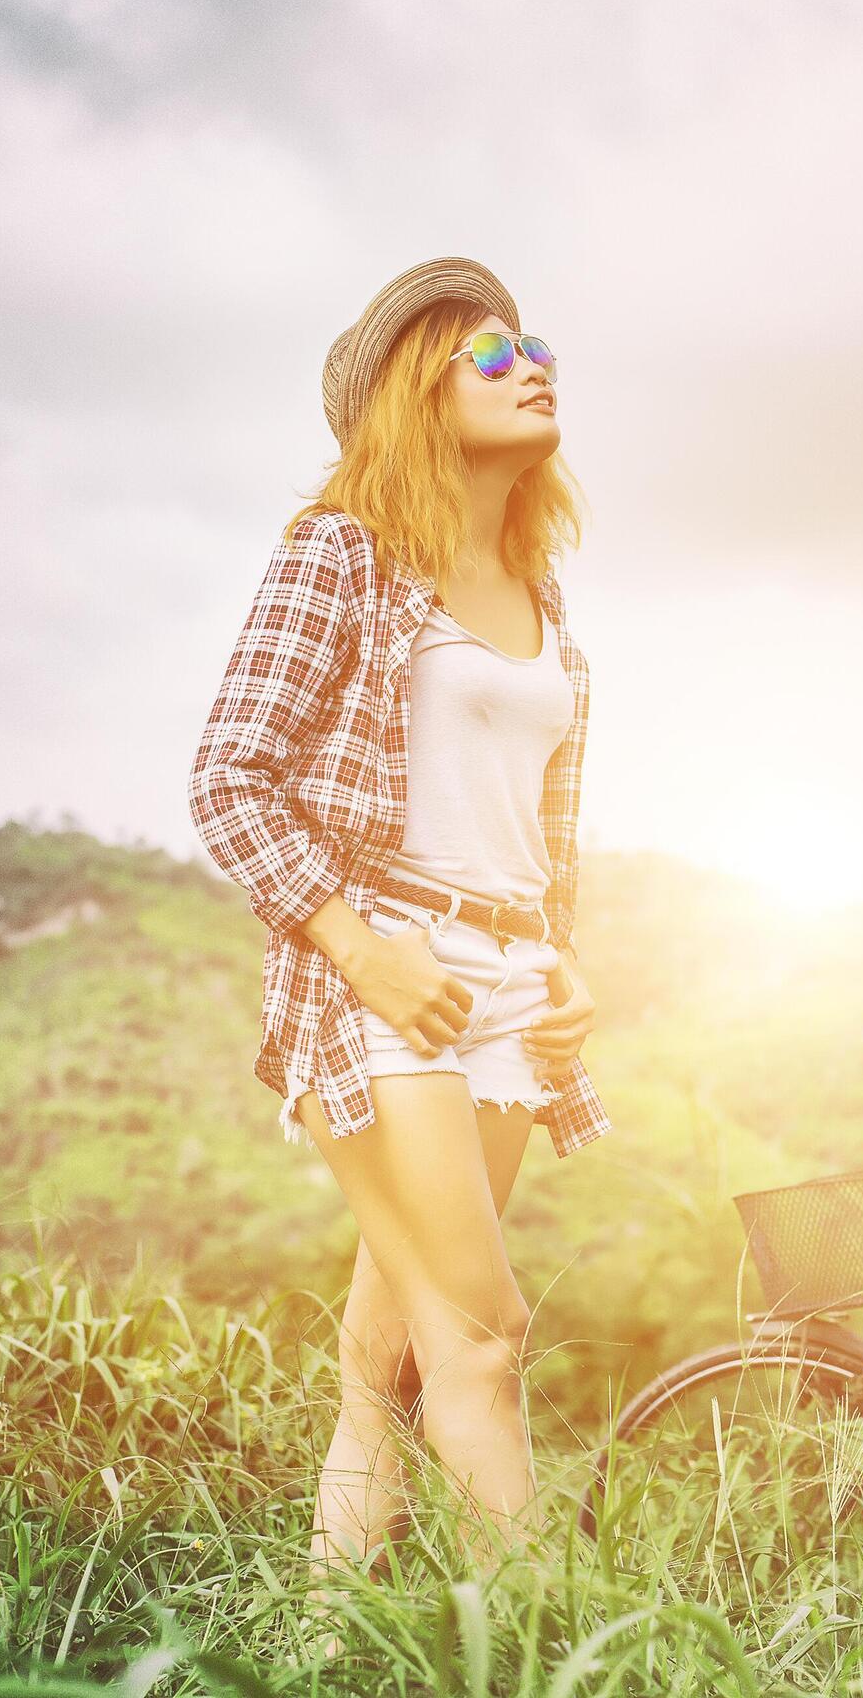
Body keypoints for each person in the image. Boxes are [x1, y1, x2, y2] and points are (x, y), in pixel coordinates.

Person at [186, 255, 610, 1579]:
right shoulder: (345, 557)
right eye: (487, 355)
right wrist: (362, 954)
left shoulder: (545, 606)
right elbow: (227, 777)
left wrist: (570, 970)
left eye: (533, 344)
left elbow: (545, 833)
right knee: (482, 1341)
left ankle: (319, 1647)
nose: (529, 362)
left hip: (509, 986)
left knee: (390, 1361)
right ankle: (561, 1657)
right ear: (414, 398)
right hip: (381, 980)